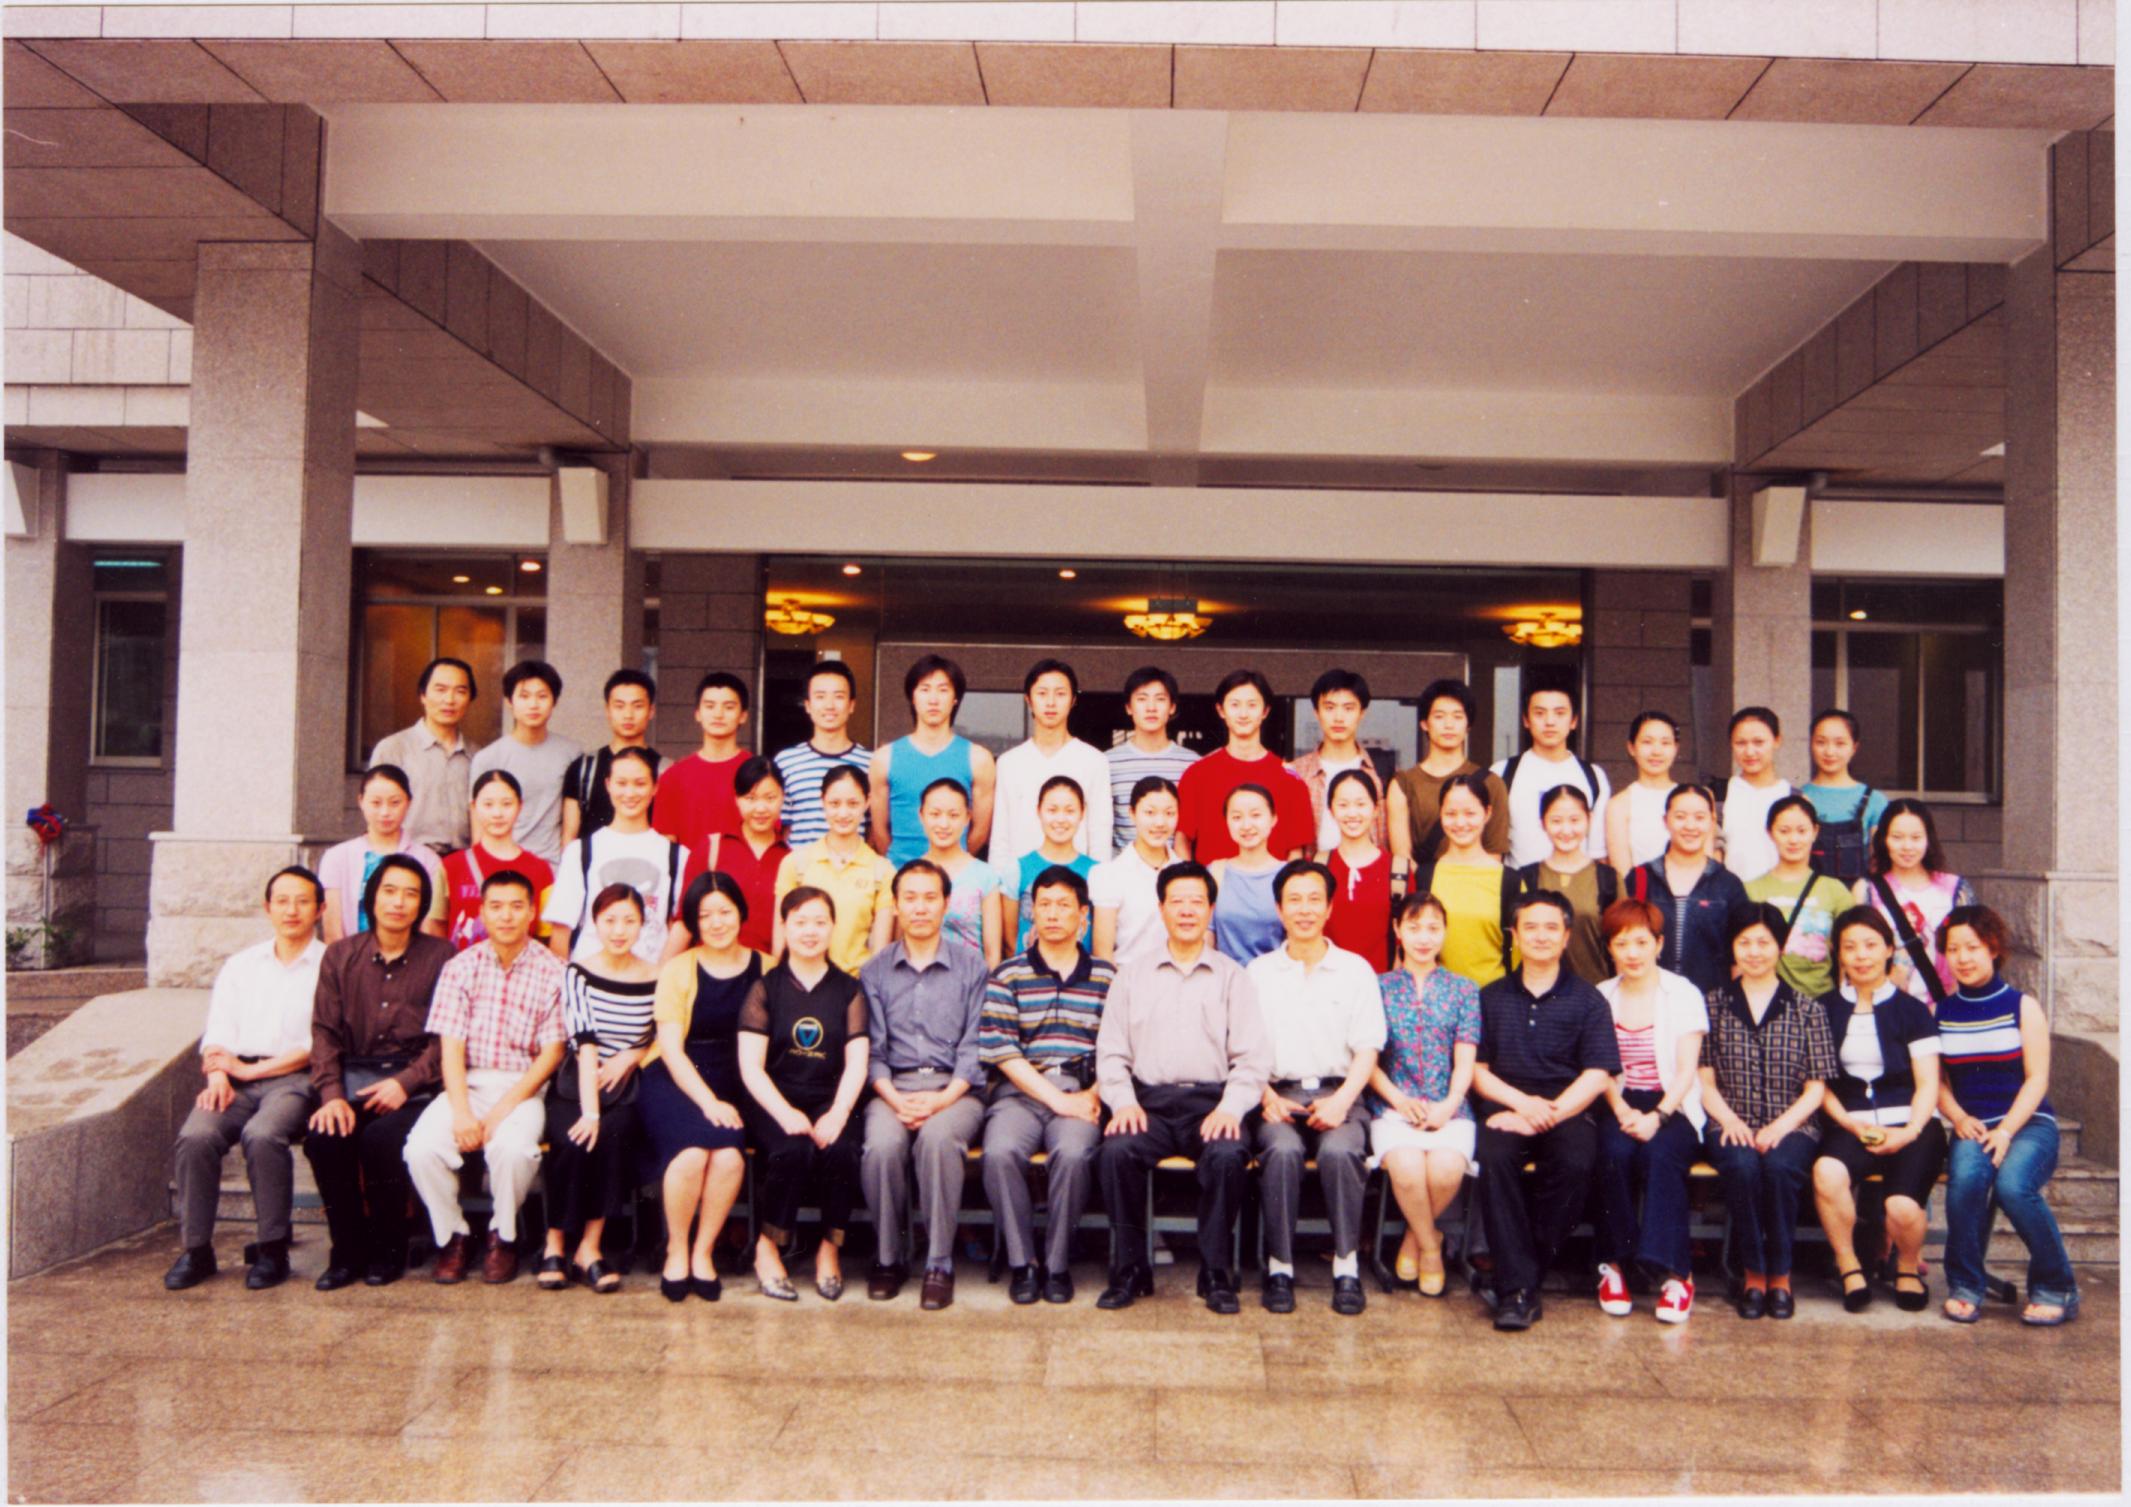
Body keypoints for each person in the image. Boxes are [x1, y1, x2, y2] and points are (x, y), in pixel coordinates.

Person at [1093, 863, 1273, 1314]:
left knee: (1228, 1154)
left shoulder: (1233, 976)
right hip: (1147, 1103)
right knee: (1116, 1152)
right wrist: (1123, 1102)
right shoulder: (1131, 975)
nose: (1187, 911)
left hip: (1210, 1103)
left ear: (1211, 909)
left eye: (1197, 902)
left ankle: (1215, 1272)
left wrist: (1231, 1108)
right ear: (1161, 909)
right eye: (1177, 901)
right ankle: (1131, 1269)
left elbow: (1252, 1058)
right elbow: (1111, 1052)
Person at [163, 866, 326, 1293]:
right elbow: (218, 1029)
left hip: (295, 1079)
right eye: (282, 901)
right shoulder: (241, 965)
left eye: (303, 901)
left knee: (263, 1134)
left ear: (320, 909)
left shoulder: (330, 965)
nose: (292, 910)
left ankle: (272, 1248)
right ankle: (196, 1249)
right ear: (267, 907)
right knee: (197, 1136)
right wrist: (218, 1073)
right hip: (234, 1078)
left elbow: (320, 1043)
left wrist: (252, 1070)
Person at [402, 870, 568, 1285]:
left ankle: (503, 1236)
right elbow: (451, 1048)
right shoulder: (460, 967)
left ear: (532, 912)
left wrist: (499, 1113)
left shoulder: (554, 971)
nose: (506, 916)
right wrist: (462, 1113)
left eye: (516, 906)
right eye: (496, 906)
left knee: (513, 1150)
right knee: (421, 1149)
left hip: (523, 1088)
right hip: (468, 1083)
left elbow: (552, 1053)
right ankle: (454, 1236)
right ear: (482, 912)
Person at [1469, 892, 1621, 1331]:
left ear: (1567, 936)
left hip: (1568, 1106)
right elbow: (1477, 1071)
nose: (1541, 936)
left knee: (1577, 1162)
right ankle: (1520, 1289)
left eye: (1551, 927)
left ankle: (1517, 1277)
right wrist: (1522, 1106)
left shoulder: (1589, 1000)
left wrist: (1546, 1113)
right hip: (1506, 1104)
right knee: (1495, 1158)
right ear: (1514, 935)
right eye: (1530, 927)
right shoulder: (1490, 997)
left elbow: (1597, 1074)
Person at [304, 855, 454, 1290]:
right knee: (326, 1138)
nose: (399, 902)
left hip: (416, 1083)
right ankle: (346, 1250)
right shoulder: (340, 956)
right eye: (389, 891)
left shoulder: (442, 956)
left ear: (422, 903)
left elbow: (447, 1037)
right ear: (371, 897)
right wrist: (331, 1095)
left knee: (382, 1139)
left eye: (411, 894)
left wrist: (406, 1083)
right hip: (352, 1078)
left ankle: (390, 1249)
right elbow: (324, 1032)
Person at [1248, 860, 1384, 1316]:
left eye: (1314, 900)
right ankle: (1279, 1267)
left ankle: (1347, 1267)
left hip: (1339, 1093)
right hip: (1278, 1095)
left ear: (1329, 908)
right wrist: (1266, 1097)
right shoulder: (1258, 973)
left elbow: (1367, 1048)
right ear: (1279, 909)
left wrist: (1343, 1101)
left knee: (1340, 1152)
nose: (1304, 910)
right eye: (1294, 900)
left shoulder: (1355, 970)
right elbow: (1243, 1048)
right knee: (1282, 1151)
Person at [1936, 905, 2078, 1326]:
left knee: (2014, 1187)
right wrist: (1958, 1117)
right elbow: (1936, 1082)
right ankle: (1965, 1286)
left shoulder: (2022, 1006)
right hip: (1974, 1125)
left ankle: (2057, 1288)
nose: (1962, 958)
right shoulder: (1940, 1013)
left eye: (1972, 947)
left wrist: (2006, 1131)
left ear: (1993, 949)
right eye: (1953, 949)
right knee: (1965, 1183)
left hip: (2029, 1124)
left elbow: (2037, 1079)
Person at [979, 866, 1115, 1305]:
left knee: (1073, 1154)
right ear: (1031, 914)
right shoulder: (1008, 974)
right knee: (1000, 1152)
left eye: (1064, 905)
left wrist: (1092, 1095)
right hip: (1020, 1092)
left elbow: (1118, 1049)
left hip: (1082, 1090)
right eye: (1044, 905)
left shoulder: (1107, 977)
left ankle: (1057, 1264)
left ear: (1084, 916)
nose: (1053, 914)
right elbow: (1003, 1051)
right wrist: (1057, 1099)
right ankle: (1023, 1263)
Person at [858, 859, 990, 1309]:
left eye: (930, 898)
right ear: (895, 905)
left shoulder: (972, 966)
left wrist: (940, 1100)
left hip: (956, 1090)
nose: (920, 908)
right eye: (910, 898)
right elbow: (873, 1052)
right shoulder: (874, 971)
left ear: (946, 904)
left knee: (937, 1141)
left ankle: (939, 1262)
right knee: (881, 1146)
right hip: (892, 1088)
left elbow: (974, 1049)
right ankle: (888, 1257)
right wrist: (897, 1099)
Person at [1696, 903, 1837, 1320]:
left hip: (1793, 1123)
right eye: (1745, 943)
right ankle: (1753, 1274)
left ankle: (1781, 1276)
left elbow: (1816, 1088)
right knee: (1741, 1166)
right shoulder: (1712, 1005)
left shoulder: (1808, 1009)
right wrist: (1730, 1120)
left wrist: (1779, 1127)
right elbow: (1704, 1080)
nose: (1754, 952)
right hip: (1728, 1118)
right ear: (1733, 947)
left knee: (1779, 1167)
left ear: (1780, 946)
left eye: (1763, 942)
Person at [737, 887, 871, 1302]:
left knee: (842, 1149)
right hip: (774, 1097)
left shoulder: (849, 990)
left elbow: (857, 1061)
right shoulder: (765, 988)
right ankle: (767, 1246)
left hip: (831, 1096)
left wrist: (839, 1112)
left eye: (819, 922)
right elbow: (751, 1067)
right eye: (800, 922)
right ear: (784, 927)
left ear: (833, 928)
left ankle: (829, 1249)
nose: (810, 931)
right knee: (791, 1150)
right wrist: (784, 1112)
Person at [1812, 907, 1946, 1315]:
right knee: (1827, 1172)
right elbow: (1818, 1083)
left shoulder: (1913, 1011)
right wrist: (1848, 1123)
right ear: (1838, 954)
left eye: (1871, 945)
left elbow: (1928, 1083)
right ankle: (1849, 1265)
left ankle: (1906, 1266)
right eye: (1850, 947)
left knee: (1901, 1206)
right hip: (1849, 1122)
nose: (1861, 955)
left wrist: (1909, 1131)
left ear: (1889, 949)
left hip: (1911, 1123)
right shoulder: (1822, 1009)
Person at [639, 871, 759, 1302]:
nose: (716, 922)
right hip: (675, 1076)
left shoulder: (766, 967)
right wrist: (708, 1102)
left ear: (740, 913)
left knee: (727, 1157)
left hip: (737, 1077)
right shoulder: (679, 969)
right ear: (693, 922)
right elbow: (671, 1049)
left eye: (724, 912)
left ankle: (703, 1252)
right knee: (691, 1154)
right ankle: (677, 1248)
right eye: (705, 915)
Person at [537, 883, 657, 1295]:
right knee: (573, 1139)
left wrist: (631, 1057)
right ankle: (554, 1243)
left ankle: (589, 1247)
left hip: (624, 1086)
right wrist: (590, 1111)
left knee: (612, 1137)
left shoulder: (656, 975)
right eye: (610, 920)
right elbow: (585, 1043)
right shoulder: (578, 972)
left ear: (642, 924)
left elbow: (660, 1034)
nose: (619, 930)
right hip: (578, 1083)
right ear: (595, 923)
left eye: (629, 921)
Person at [1593, 898, 1708, 1325]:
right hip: (1620, 1101)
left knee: (1661, 1156)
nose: (1633, 953)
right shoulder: (1602, 995)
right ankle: (1615, 1266)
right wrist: (1622, 1109)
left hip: (1672, 1103)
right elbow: (1600, 1067)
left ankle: (1678, 1274)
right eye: (1622, 943)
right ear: (1609, 948)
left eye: (1642, 942)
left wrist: (1657, 1116)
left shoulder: (1683, 993)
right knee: (1612, 1153)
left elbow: (1686, 1070)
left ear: (1659, 944)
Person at [1369, 892, 1481, 1298]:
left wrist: (1449, 1104)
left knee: (1447, 1170)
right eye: (1414, 927)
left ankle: (1413, 1240)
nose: (1424, 937)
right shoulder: (1376, 987)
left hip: (1450, 1108)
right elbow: (1367, 1060)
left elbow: (1465, 1060)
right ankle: (1433, 1248)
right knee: (1407, 1168)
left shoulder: (1464, 989)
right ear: (1397, 930)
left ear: (1445, 932)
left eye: (1433, 928)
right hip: (1392, 1106)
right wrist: (1399, 1100)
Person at [544, 748, 686, 968]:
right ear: (608, 785)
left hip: (650, 979)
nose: (630, 793)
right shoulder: (580, 851)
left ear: (655, 787)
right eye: (621, 783)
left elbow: (678, 926)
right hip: (590, 977)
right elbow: (561, 931)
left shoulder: (676, 855)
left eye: (640, 783)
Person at [1175, 669, 1313, 863]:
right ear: (1221, 710)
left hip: (1275, 883)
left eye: (1252, 705)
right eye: (1235, 704)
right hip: (1212, 881)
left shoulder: (1289, 778)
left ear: (1265, 711)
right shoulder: (1197, 774)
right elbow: (1182, 841)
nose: (1243, 714)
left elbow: (1296, 851)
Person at [1626, 784, 1750, 997]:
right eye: (1680, 817)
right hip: (1649, 999)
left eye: (1700, 817)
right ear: (1665, 820)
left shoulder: (1729, 885)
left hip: (1710, 1003)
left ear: (1712, 822)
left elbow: (1740, 957)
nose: (1690, 826)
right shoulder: (1640, 878)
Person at [872, 653, 996, 867]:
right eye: (925, 689)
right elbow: (880, 832)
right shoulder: (884, 757)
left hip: (956, 877)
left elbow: (980, 832)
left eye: (943, 690)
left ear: (955, 699)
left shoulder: (978, 758)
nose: (933, 699)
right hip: (899, 874)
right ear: (912, 697)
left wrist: (952, 865)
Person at [990, 659, 1113, 867]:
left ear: (1073, 700)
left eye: (1060, 694)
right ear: (1028, 700)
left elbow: (1100, 835)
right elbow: (1000, 839)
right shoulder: (1009, 763)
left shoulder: (1094, 761)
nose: (1051, 702)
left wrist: (1096, 882)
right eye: (1042, 693)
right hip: (1021, 880)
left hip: (1076, 880)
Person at [1854, 798, 1976, 1006]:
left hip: (1946, 1007)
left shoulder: (1955, 889)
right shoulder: (1867, 890)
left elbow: (1974, 948)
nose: (1907, 846)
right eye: (1897, 837)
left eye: (1916, 837)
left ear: (1929, 839)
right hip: (1887, 1009)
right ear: (1883, 839)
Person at [1411, 772, 1525, 988]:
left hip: (1492, 1000)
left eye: (1470, 813)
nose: (1460, 822)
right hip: (1437, 999)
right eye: (1451, 813)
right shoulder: (1424, 877)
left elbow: (1520, 955)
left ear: (1487, 813)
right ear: (1440, 814)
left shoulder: (1509, 882)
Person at [776, 765, 896, 971]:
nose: (843, 813)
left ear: (867, 802)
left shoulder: (882, 871)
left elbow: (880, 954)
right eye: (834, 803)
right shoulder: (796, 863)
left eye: (853, 804)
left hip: (856, 985)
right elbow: (780, 942)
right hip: (801, 982)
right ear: (822, 801)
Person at [1387, 679, 1508, 881]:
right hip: (1424, 890)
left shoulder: (1491, 783)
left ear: (1468, 725)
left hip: (1477, 888)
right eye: (1439, 716)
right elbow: (1403, 857)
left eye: (1457, 716)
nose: (1449, 725)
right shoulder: (1403, 784)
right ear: (1424, 723)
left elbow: (1494, 855)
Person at [674, 754, 790, 957]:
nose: (760, 808)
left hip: (765, 971)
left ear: (782, 797)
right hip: (710, 968)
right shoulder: (711, 849)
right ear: (736, 799)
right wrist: (663, 971)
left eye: (770, 798)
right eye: (750, 798)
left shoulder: (790, 860)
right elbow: (685, 920)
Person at [1744, 794, 1856, 1000]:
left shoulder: (1835, 891)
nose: (1793, 840)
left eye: (1802, 831)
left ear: (1815, 832)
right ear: (1770, 833)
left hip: (1822, 1002)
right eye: (1784, 831)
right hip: (1767, 1003)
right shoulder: (1750, 890)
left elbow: (1849, 955)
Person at [317, 765, 446, 943]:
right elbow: (333, 931)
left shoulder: (428, 860)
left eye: (395, 803)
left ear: (408, 802)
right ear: (361, 801)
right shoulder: (337, 857)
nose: (385, 812)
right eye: (376, 803)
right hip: (352, 957)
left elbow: (430, 927)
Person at [469, 660, 580, 864]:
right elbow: (479, 827)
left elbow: (571, 823)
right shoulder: (488, 758)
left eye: (542, 696)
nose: (533, 704)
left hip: (551, 865)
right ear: (509, 701)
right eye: (524, 696)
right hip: (502, 866)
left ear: (554, 701)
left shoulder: (571, 753)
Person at [1491, 686, 1610, 870]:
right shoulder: (1502, 773)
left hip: (1577, 886)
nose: (1550, 721)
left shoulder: (1594, 776)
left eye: (1560, 713)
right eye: (1539, 713)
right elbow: (1491, 848)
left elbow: (1598, 854)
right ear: (1526, 720)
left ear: (1574, 721)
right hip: (1519, 886)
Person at [371, 655, 480, 852]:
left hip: (462, 860)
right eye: (440, 690)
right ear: (423, 695)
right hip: (409, 858)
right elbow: (376, 811)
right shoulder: (393, 749)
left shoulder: (478, 756)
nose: (449, 700)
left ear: (470, 699)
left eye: (460, 691)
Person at [441, 770, 555, 952]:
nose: (497, 813)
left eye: (507, 804)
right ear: (474, 807)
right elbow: (435, 930)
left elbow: (545, 936)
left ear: (520, 806)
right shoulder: (450, 866)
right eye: (488, 804)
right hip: (462, 968)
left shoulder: (541, 870)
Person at [1518, 784, 1617, 986]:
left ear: (1589, 820)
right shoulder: (1527, 878)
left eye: (1574, 820)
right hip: (1537, 991)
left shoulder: (1608, 879)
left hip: (1596, 990)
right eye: (1556, 821)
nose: (1566, 830)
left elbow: (1622, 939)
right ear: (1543, 823)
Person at [773, 660, 873, 849]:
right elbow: (781, 828)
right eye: (820, 696)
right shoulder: (786, 762)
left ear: (851, 705)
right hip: (800, 867)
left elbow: (873, 829)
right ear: (808, 705)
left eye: (839, 696)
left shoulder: (871, 762)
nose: (829, 705)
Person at [560, 669, 661, 850]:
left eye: (637, 706)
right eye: (619, 706)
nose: (628, 715)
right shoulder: (583, 769)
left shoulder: (665, 770)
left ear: (651, 710)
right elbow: (569, 836)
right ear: (607, 710)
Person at [1292, 669, 1388, 855]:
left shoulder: (1380, 773)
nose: (1338, 717)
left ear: (1362, 713)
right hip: (1313, 870)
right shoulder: (1296, 773)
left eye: (1348, 708)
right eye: (1329, 708)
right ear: (1316, 712)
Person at [911, 777, 1006, 965]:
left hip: (971, 979)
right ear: (921, 815)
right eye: (935, 814)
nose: (944, 824)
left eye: (953, 815)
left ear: (967, 818)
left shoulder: (985, 876)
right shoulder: (910, 875)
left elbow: (992, 954)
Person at [653, 672, 751, 852]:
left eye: (729, 707)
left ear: (743, 715)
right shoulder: (673, 776)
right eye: (710, 706)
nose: (718, 714)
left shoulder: (756, 772)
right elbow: (666, 845)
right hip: (690, 869)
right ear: (697, 714)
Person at [1090, 775, 1181, 967]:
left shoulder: (1184, 874)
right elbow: (1103, 955)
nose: (1160, 822)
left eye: (1169, 813)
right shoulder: (1109, 875)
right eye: (1150, 812)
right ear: (1132, 813)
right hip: (1125, 979)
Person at [1105, 665, 1199, 850]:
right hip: (1123, 865)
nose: (1151, 708)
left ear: (1172, 707)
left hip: (1175, 866)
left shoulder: (1193, 764)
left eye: (1160, 699)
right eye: (1142, 699)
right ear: (1129, 707)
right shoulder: (1107, 763)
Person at [1005, 776, 1097, 953]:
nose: (1061, 819)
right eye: (1052, 810)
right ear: (1039, 811)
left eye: (1070, 811)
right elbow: (1010, 941)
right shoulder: (1017, 869)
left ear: (1082, 813)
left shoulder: (1097, 872)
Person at [1802, 709, 1887, 882]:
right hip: (1808, 895)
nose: (1829, 751)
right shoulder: (1797, 797)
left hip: (1855, 895)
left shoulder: (1874, 800)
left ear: (1854, 747)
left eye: (1840, 743)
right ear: (1811, 744)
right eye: (1821, 742)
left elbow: (1880, 864)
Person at [1320, 769, 1392, 972]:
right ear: (1331, 810)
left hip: (1380, 983)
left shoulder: (1397, 871)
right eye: (1343, 805)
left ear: (1376, 809)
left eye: (1361, 804)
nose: (1352, 813)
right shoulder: (1318, 867)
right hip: (1327, 981)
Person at [1207, 784, 1286, 965]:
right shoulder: (1216, 872)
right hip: (1226, 978)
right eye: (1237, 817)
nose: (1246, 825)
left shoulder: (1288, 876)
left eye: (1256, 815)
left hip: (1275, 978)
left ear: (1273, 818)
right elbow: (1207, 936)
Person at [1604, 710, 1681, 875]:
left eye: (1665, 743)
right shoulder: (1619, 805)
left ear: (1676, 748)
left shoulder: (1692, 799)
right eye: (1647, 742)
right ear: (1631, 748)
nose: (1656, 751)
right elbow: (1624, 876)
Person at [1719, 707, 1791, 881]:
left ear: (1777, 741)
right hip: (1733, 895)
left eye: (1758, 742)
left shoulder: (1793, 797)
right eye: (1740, 743)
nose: (1750, 752)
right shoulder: (1719, 796)